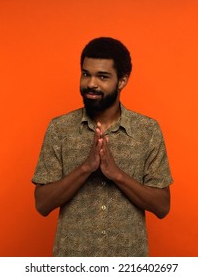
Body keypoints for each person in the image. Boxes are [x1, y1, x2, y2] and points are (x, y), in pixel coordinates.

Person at [32, 37, 173, 257]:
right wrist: (85, 169)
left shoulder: (147, 131)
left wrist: (117, 174)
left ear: (122, 81)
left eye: (103, 77)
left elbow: (162, 206)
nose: (91, 84)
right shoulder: (59, 129)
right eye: (86, 74)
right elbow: (42, 204)